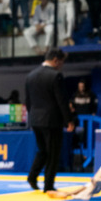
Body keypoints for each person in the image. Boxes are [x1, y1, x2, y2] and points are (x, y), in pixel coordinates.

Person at [25, 48, 73, 192]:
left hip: (35, 119)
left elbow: (28, 101)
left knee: (42, 151)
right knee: (53, 154)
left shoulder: (30, 76)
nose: (61, 66)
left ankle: (32, 176)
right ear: (55, 60)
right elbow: (61, 101)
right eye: (61, 62)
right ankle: (48, 185)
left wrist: (32, 117)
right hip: (52, 120)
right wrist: (69, 120)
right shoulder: (55, 76)